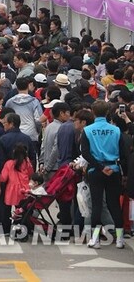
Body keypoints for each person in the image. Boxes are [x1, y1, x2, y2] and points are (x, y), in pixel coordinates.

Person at [80, 100, 127, 249]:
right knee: (114, 205)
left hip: (96, 170)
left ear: (93, 112)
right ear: (107, 113)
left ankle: (95, 239)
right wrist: (119, 169)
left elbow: (86, 154)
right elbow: (123, 153)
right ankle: (120, 239)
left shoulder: (87, 131)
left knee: (97, 204)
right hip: (113, 169)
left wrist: (100, 167)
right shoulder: (116, 130)